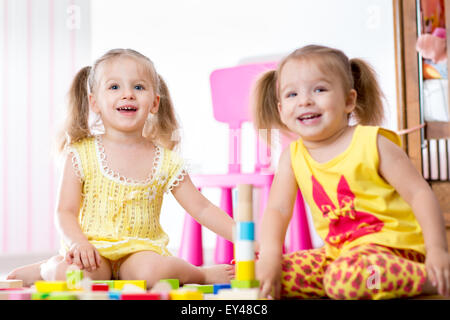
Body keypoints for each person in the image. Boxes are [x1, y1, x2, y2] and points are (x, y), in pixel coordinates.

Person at [7, 48, 235, 288]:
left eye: (138, 87)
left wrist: (244, 238)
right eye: (114, 87)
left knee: (153, 273)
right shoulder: (81, 154)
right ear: (94, 102)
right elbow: (65, 211)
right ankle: (46, 268)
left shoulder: (166, 162)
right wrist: (77, 244)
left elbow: (202, 207)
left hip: (141, 252)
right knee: (71, 274)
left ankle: (199, 274)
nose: (128, 94)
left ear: (155, 103)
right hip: (92, 250)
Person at [252, 44, 450, 299]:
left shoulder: (372, 142)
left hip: (393, 249)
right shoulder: (292, 157)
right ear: (281, 110)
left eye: (319, 89)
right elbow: (277, 210)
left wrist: (437, 250)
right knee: (269, 277)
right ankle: (341, 279)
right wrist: (270, 257)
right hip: (339, 253)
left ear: (349, 100)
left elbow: (419, 194)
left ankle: (432, 279)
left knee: (344, 278)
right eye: (292, 95)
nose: (304, 101)